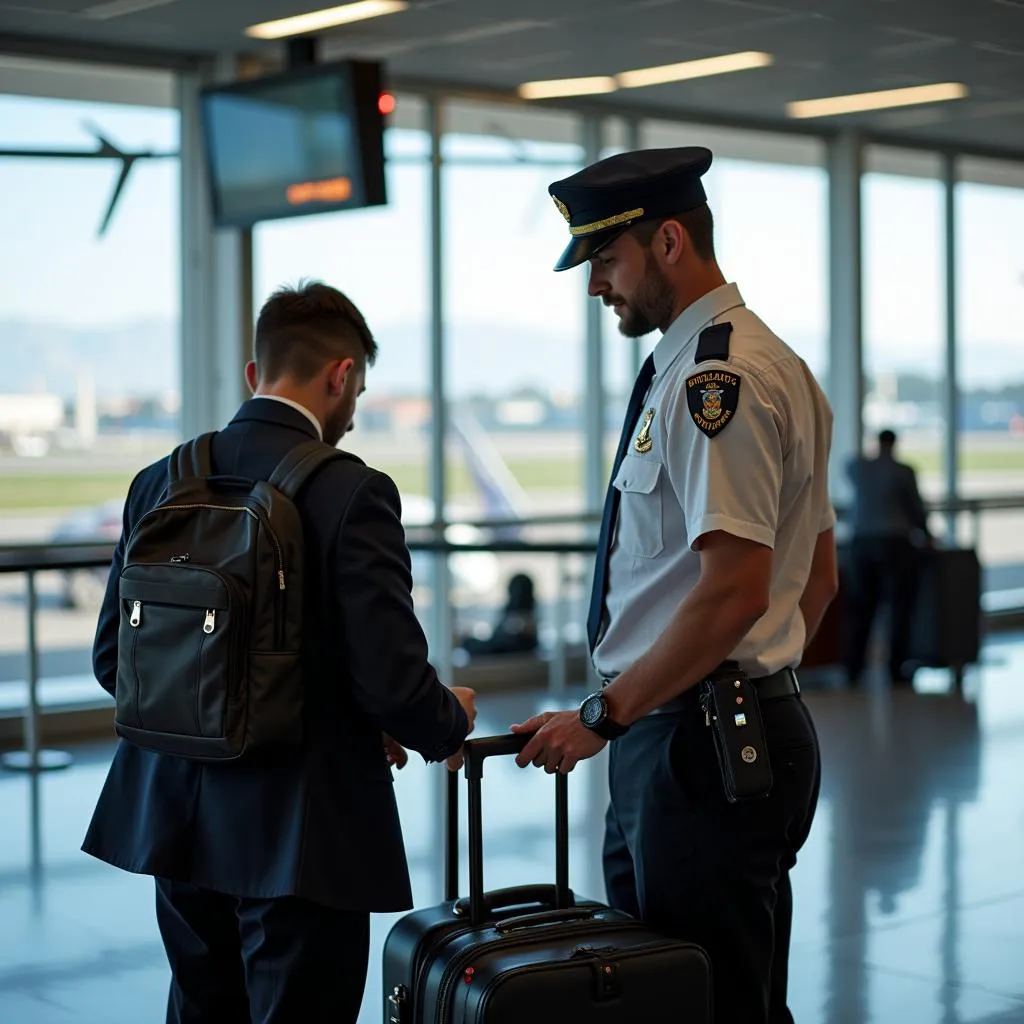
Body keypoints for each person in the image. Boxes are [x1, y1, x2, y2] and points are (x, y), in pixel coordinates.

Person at [82, 281, 477, 1024]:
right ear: (343, 375)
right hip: (303, 835)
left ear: (253, 375)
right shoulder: (352, 491)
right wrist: (445, 721)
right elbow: (389, 677)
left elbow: (114, 659)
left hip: (175, 818)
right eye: (357, 389)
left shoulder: (161, 480)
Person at [510, 148, 838, 1023]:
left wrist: (605, 715)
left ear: (666, 242)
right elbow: (817, 576)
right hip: (708, 727)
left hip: (698, 745)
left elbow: (734, 592)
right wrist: (756, 677)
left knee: (702, 1002)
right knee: (720, 990)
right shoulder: (766, 363)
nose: (595, 288)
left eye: (605, 262)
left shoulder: (713, 380)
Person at [843, 428, 932, 686]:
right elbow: (915, 508)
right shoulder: (903, 471)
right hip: (895, 543)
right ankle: (896, 668)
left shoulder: (857, 467)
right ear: (894, 444)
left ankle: (854, 668)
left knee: (861, 608)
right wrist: (927, 535)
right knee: (899, 607)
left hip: (861, 543)